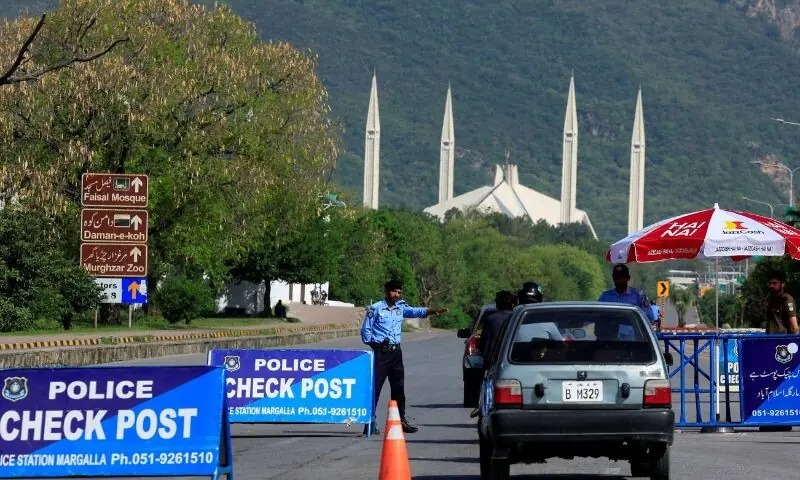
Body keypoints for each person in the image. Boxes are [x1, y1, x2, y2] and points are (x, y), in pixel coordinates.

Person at [360, 279, 449, 435]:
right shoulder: (376, 309)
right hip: (382, 352)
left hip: (396, 353)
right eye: (394, 291)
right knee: (375, 388)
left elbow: (416, 311)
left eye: (399, 292)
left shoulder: (400, 307)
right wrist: (376, 346)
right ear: (386, 290)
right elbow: (366, 331)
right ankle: (370, 422)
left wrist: (434, 311)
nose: (397, 294)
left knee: (398, 389)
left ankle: (401, 420)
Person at [468, 290, 517, 418]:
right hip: (511, 359)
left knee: (485, 383)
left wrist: (485, 355)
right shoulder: (515, 318)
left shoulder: (490, 319)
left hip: (491, 360)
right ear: (512, 304)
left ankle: (480, 405)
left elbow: (483, 341)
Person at [765, 270, 799, 335]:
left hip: (782, 341)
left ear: (782, 284)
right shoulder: (772, 299)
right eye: (770, 283)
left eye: (775, 283)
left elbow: (794, 326)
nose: (771, 286)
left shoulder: (787, 300)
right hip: (769, 339)